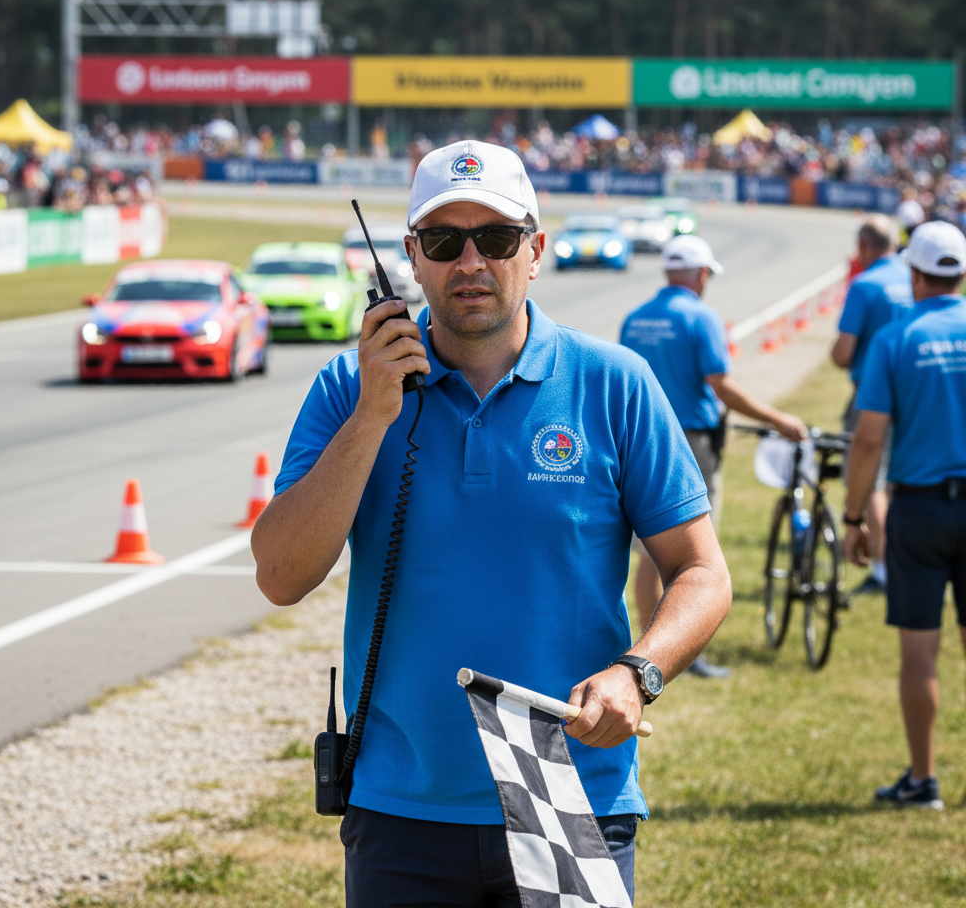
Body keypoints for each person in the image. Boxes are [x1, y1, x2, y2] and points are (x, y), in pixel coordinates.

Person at [253, 140, 732, 906]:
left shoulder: (615, 383)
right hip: (401, 804)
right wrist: (374, 415)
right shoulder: (349, 387)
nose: (471, 262)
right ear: (412, 258)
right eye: (445, 241)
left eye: (498, 238)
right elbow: (280, 575)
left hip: (570, 791)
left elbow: (702, 572)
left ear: (535, 251)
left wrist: (637, 674)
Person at [620, 235, 807, 677]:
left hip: (638, 437)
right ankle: (670, 653)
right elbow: (721, 385)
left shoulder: (635, 318)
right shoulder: (701, 317)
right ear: (702, 274)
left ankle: (646, 649)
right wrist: (777, 418)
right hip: (690, 441)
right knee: (688, 556)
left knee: (647, 551)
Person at [842, 222, 966, 811]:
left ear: (914, 275)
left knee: (920, 653)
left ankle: (923, 779)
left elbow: (868, 440)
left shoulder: (895, 338)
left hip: (919, 506)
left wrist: (854, 517)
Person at [831, 216, 913, 594]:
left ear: (863, 246)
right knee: (896, 479)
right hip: (914, 393)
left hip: (872, 396)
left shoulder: (865, 284)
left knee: (870, 479)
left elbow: (843, 352)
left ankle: (883, 570)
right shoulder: (914, 278)